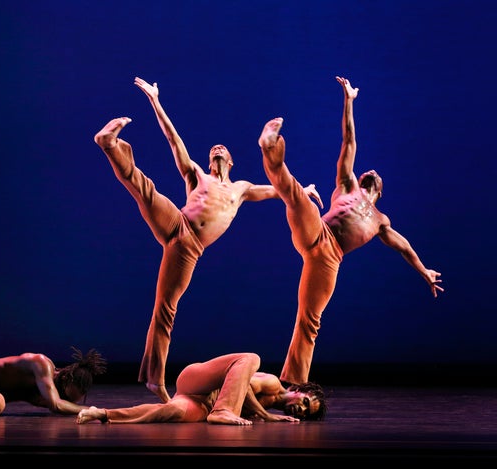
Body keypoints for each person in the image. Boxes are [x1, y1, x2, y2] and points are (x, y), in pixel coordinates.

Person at [95, 77, 323, 403]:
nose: (216, 149)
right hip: (177, 222)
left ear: (231, 161)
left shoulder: (240, 188)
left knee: (166, 309)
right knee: (144, 189)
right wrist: (156, 101)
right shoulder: (196, 175)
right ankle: (109, 144)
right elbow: (174, 141)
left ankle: (154, 380)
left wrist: (306, 192)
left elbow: (280, 190)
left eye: (223, 149)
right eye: (213, 149)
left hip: (189, 248)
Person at [258, 76, 444, 386]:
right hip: (318, 232)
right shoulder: (348, 185)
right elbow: (349, 141)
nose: (371, 172)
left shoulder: (381, 219)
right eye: (368, 171)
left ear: (380, 192)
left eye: (376, 176)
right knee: (297, 198)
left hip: (330, 259)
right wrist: (349, 101)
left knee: (310, 320)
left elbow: (404, 247)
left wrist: (424, 270)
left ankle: (292, 384)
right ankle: (270, 148)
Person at [76, 352, 326, 425]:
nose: (301, 409)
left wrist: (267, 415)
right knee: (251, 359)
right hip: (198, 380)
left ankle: (102, 413)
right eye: (305, 401)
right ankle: (222, 411)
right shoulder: (272, 384)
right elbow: (242, 387)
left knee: (169, 412)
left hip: (201, 401)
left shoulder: (278, 410)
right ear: (297, 388)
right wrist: (265, 415)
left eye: (306, 412)